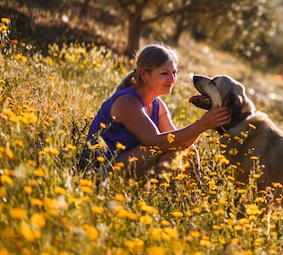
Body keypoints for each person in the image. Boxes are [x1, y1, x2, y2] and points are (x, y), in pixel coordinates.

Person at [78, 43, 230, 178]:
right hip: (99, 171)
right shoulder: (127, 102)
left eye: (174, 72)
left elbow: (180, 142)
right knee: (155, 149)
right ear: (144, 74)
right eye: (165, 73)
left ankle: (177, 199)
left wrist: (204, 125)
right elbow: (153, 142)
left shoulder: (158, 106)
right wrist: (201, 125)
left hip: (129, 165)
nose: (172, 79)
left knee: (186, 151)